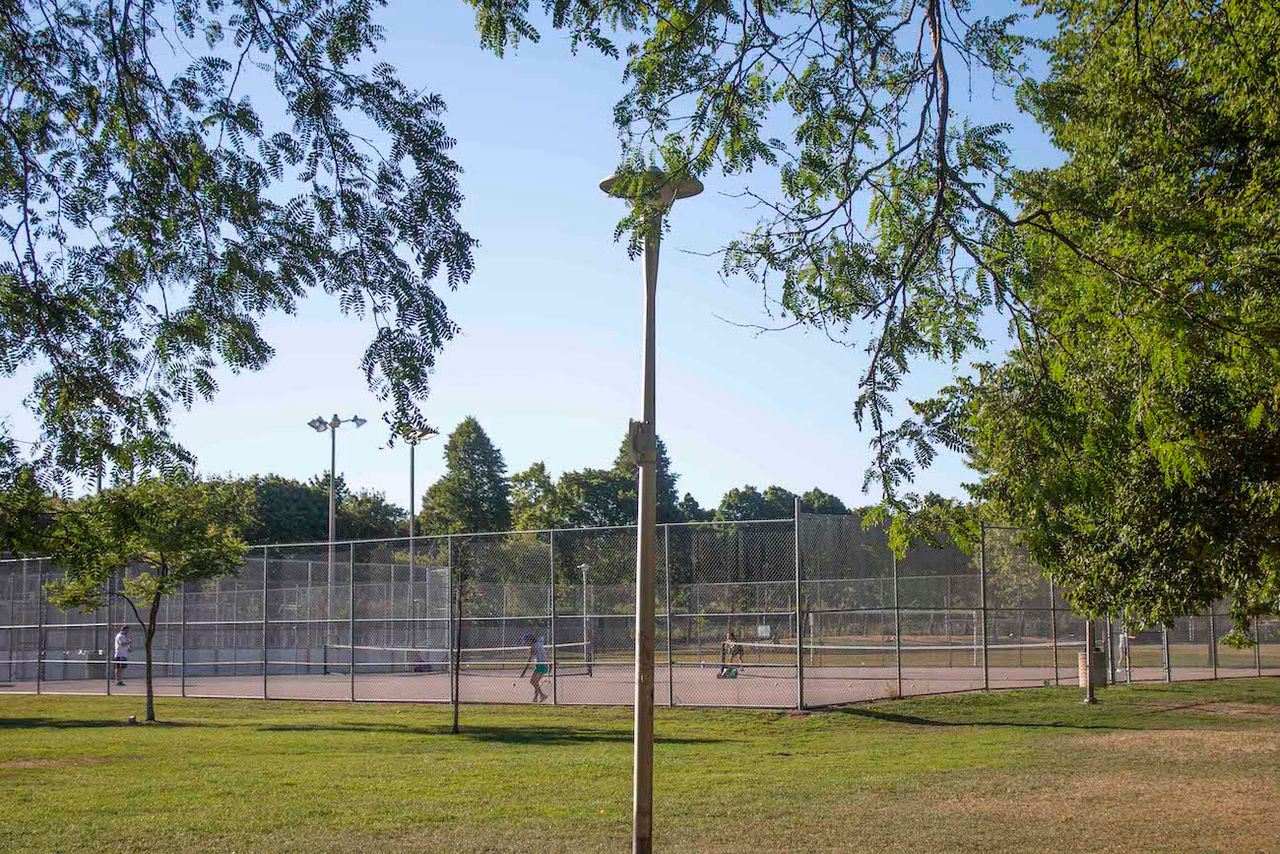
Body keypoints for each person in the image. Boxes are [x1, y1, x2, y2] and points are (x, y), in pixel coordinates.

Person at [520, 633, 549, 702]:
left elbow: (529, 660)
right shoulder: (539, 644)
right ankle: (535, 697)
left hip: (540, 665)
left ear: (530, 640)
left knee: (532, 681)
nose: (526, 643)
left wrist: (524, 672)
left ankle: (542, 695)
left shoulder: (533, 646)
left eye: (526, 641)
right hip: (544, 665)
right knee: (536, 682)